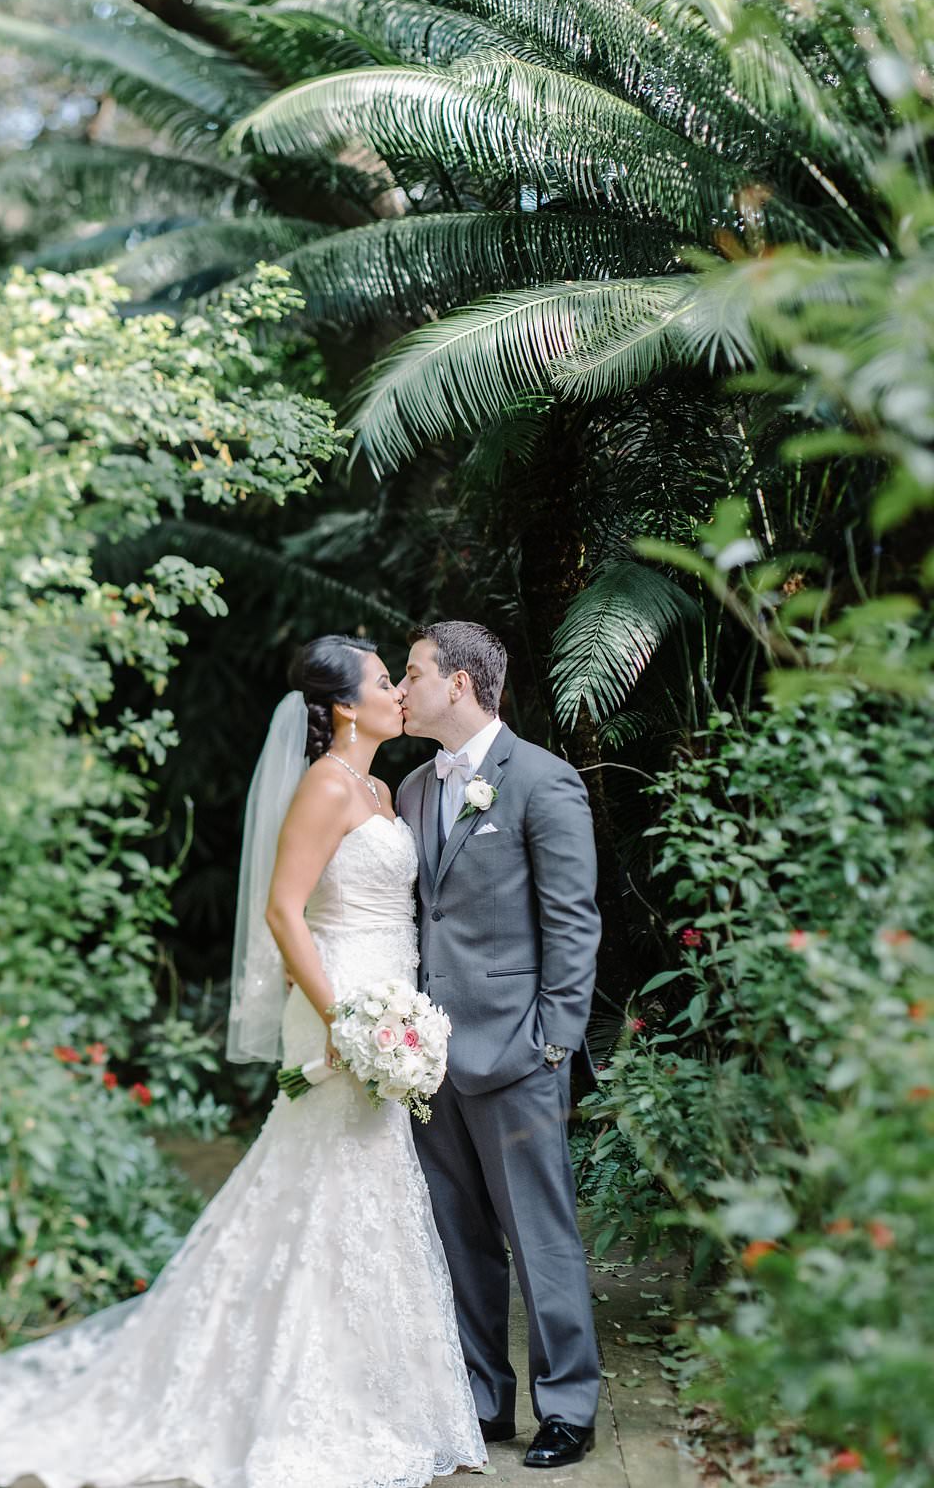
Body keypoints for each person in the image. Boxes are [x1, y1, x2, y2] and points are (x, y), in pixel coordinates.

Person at [0, 635, 485, 1488]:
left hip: (385, 1011)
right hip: (339, 1013)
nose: (399, 693)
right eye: (381, 682)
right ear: (341, 708)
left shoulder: (377, 788)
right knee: (326, 1184)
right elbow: (285, 914)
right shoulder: (326, 787)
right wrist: (341, 1022)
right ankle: (296, 1399)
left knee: (365, 1193)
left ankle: (370, 1395)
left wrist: (390, 1022)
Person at [397, 621, 601, 1471]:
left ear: (461, 684)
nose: (401, 690)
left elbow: (573, 923)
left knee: (541, 1236)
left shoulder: (543, 782)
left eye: (411, 674)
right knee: (460, 1238)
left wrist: (553, 1044)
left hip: (519, 1054)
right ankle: (485, 1401)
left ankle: (569, 1407)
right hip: (426, 1057)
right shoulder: (410, 788)